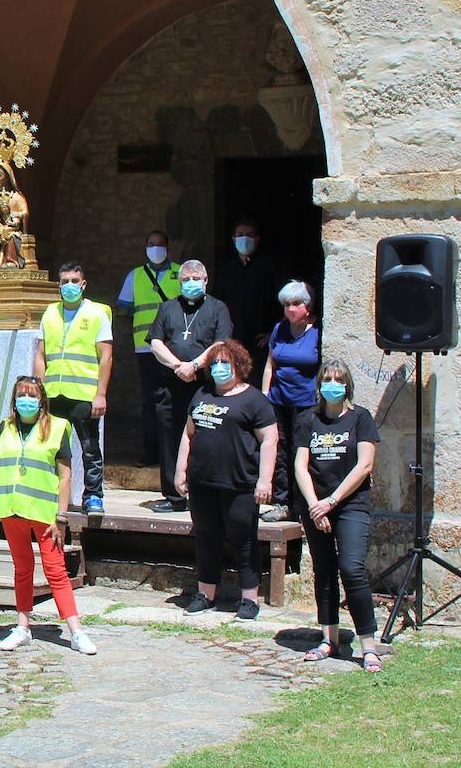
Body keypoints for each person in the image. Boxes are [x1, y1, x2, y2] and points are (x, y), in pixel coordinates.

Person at [0, 377, 97, 655]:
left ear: (42, 399)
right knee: (22, 569)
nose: (26, 399)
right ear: (14, 399)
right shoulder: (5, 427)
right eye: (21, 394)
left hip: (45, 514)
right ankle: (22, 626)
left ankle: (76, 631)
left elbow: (66, 476)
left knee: (56, 571)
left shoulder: (58, 427)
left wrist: (61, 516)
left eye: (32, 394)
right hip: (11, 510)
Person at [173, 340, 277, 621]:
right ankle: (205, 594)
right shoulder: (202, 394)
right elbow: (189, 433)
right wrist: (181, 469)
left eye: (225, 363)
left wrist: (265, 480)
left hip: (239, 482)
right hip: (202, 481)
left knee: (243, 539)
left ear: (239, 366)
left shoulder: (254, 400)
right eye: (215, 363)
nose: (219, 368)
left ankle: (249, 599)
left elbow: (269, 439)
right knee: (206, 536)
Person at [293, 360, 383, 672]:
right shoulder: (308, 420)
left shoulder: (361, 418)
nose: (333, 384)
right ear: (319, 385)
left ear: (347, 385)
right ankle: (328, 638)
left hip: (349, 504)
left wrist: (331, 501)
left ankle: (367, 644)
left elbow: (365, 465)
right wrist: (315, 504)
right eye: (328, 379)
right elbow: (300, 465)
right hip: (315, 504)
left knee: (351, 568)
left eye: (339, 379)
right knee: (325, 569)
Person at [148, 260, 233, 512]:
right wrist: (178, 366)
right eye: (186, 279)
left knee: (205, 437)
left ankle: (203, 494)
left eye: (196, 278)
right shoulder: (168, 308)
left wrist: (193, 366)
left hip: (203, 385)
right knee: (169, 437)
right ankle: (174, 497)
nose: (191, 283)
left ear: (206, 281)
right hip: (171, 385)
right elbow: (155, 341)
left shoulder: (218, 308)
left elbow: (221, 343)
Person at [33, 261, 113, 514]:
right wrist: (39, 388)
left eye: (74, 282)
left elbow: (106, 357)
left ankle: (93, 496)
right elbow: (41, 353)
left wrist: (101, 394)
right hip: (54, 394)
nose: (69, 286)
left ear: (83, 284)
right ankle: (54, 494)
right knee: (52, 446)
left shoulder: (97, 313)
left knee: (89, 447)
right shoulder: (50, 312)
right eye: (64, 282)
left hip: (84, 394)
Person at [115, 230, 180, 468]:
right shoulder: (136, 275)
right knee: (150, 402)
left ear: (168, 247)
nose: (155, 249)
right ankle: (151, 451)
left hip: (174, 348)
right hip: (145, 348)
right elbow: (122, 307)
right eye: (151, 244)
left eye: (160, 244)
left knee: (173, 401)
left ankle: (172, 454)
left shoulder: (179, 273)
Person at [260, 281, 321, 523]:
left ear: (308, 306)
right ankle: (283, 502)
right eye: (286, 305)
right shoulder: (279, 329)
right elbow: (269, 365)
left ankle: (303, 504)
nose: (290, 309)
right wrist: (265, 395)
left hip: (306, 403)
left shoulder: (318, 331)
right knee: (281, 452)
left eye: (296, 304)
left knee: (301, 451)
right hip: (279, 401)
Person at [213, 219, 283, 376]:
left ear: (257, 239)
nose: (244, 238)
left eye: (249, 235)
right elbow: (216, 304)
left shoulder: (270, 267)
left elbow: (286, 302)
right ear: (233, 239)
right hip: (233, 340)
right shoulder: (226, 271)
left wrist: (274, 332)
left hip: (260, 342)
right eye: (240, 235)